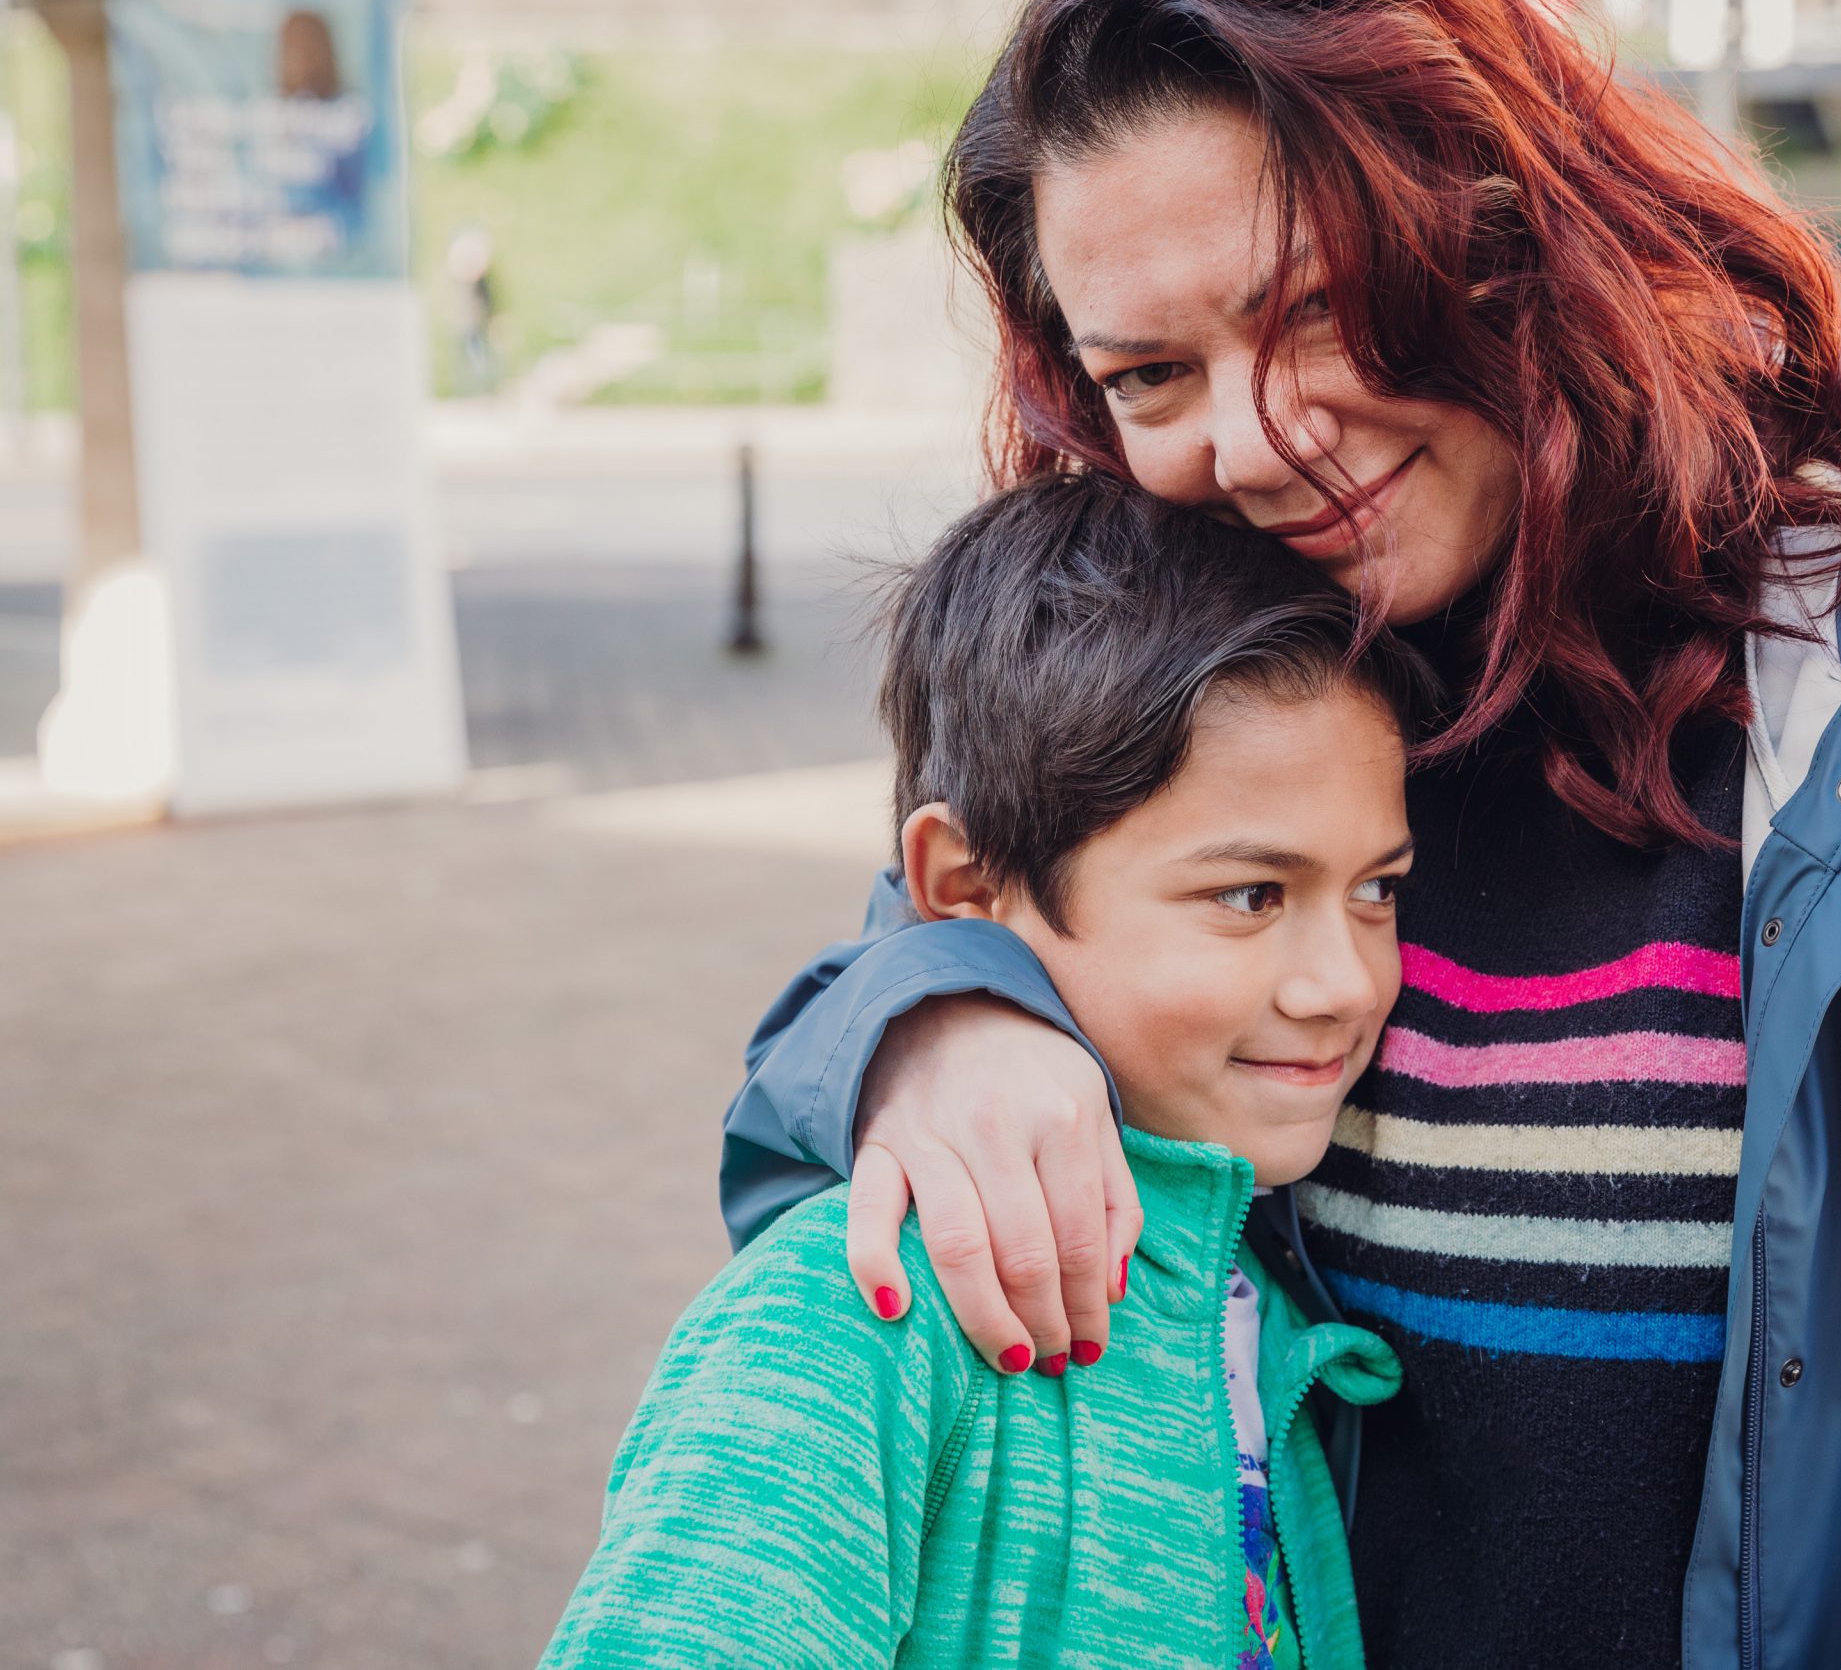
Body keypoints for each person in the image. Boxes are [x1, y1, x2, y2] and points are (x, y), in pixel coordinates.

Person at [719, 0, 1841, 1666]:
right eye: (1154, 375)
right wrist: (936, 1017)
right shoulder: (1160, 694)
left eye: (1318, 308)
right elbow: (849, 1071)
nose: (1257, 439)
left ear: (1515, 226)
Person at [549, 474, 1424, 1668]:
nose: (1343, 982)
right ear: (963, 885)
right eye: (1248, 895)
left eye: (1377, 889)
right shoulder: (851, 1318)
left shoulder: (1259, 1293)